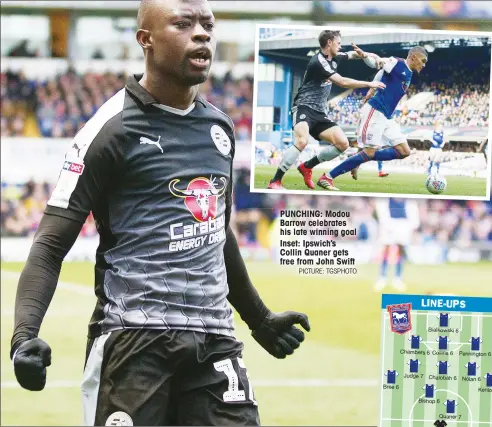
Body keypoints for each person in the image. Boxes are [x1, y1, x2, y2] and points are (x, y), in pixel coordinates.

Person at [10, 1, 310, 426]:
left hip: (215, 341)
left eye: (207, 24)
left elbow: (216, 232)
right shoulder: (109, 131)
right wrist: (24, 336)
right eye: (183, 24)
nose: (202, 33)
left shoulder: (219, 129)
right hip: (134, 338)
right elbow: (50, 244)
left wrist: (259, 320)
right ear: (145, 40)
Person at [267, 29, 386, 190]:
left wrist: (366, 54)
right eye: (338, 43)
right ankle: (275, 181)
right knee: (302, 141)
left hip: (320, 113)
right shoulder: (318, 61)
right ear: (329, 43)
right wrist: (369, 84)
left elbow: (351, 54)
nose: (340, 46)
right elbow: (342, 82)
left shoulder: (336, 56)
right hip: (304, 107)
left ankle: (307, 166)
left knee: (343, 143)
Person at [316, 46, 428, 191]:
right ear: (413, 57)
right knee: (369, 152)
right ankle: (328, 177)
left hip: (387, 116)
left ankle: (358, 160)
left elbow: (381, 74)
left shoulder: (409, 72)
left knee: (404, 151)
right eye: (423, 60)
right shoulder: (397, 62)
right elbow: (377, 62)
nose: (424, 64)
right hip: (375, 111)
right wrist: (364, 56)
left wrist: (371, 90)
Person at [374, 197, 420, 292]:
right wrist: (388, 226)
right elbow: (382, 213)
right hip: (388, 225)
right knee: (386, 250)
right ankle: (382, 277)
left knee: (400, 251)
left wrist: (409, 227)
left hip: (404, 226)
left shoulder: (409, 200)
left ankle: (397, 278)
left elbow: (414, 216)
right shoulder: (385, 199)